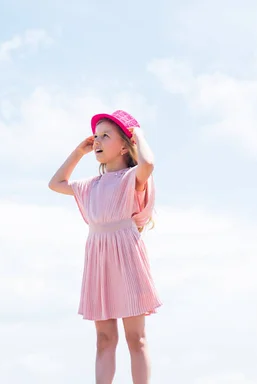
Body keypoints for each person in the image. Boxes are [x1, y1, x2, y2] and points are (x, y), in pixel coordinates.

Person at [48, 110, 162, 384]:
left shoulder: (131, 178)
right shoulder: (90, 186)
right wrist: (79, 152)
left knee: (137, 338)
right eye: (96, 136)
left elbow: (148, 163)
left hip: (127, 256)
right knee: (104, 339)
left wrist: (139, 135)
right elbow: (55, 183)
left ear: (124, 145)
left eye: (105, 136)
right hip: (99, 260)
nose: (97, 141)